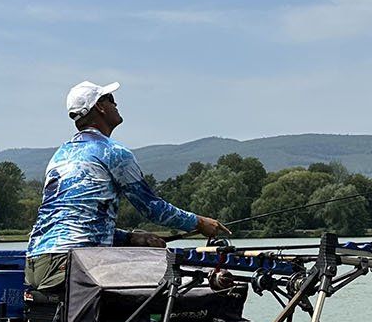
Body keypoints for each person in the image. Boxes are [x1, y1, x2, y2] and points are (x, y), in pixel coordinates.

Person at [23, 81, 226, 298]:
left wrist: (130, 238)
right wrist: (200, 223)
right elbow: (153, 208)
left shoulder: (60, 156)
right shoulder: (112, 152)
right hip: (73, 264)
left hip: (37, 263)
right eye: (110, 99)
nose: (116, 103)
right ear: (100, 107)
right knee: (151, 302)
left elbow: (76, 221)